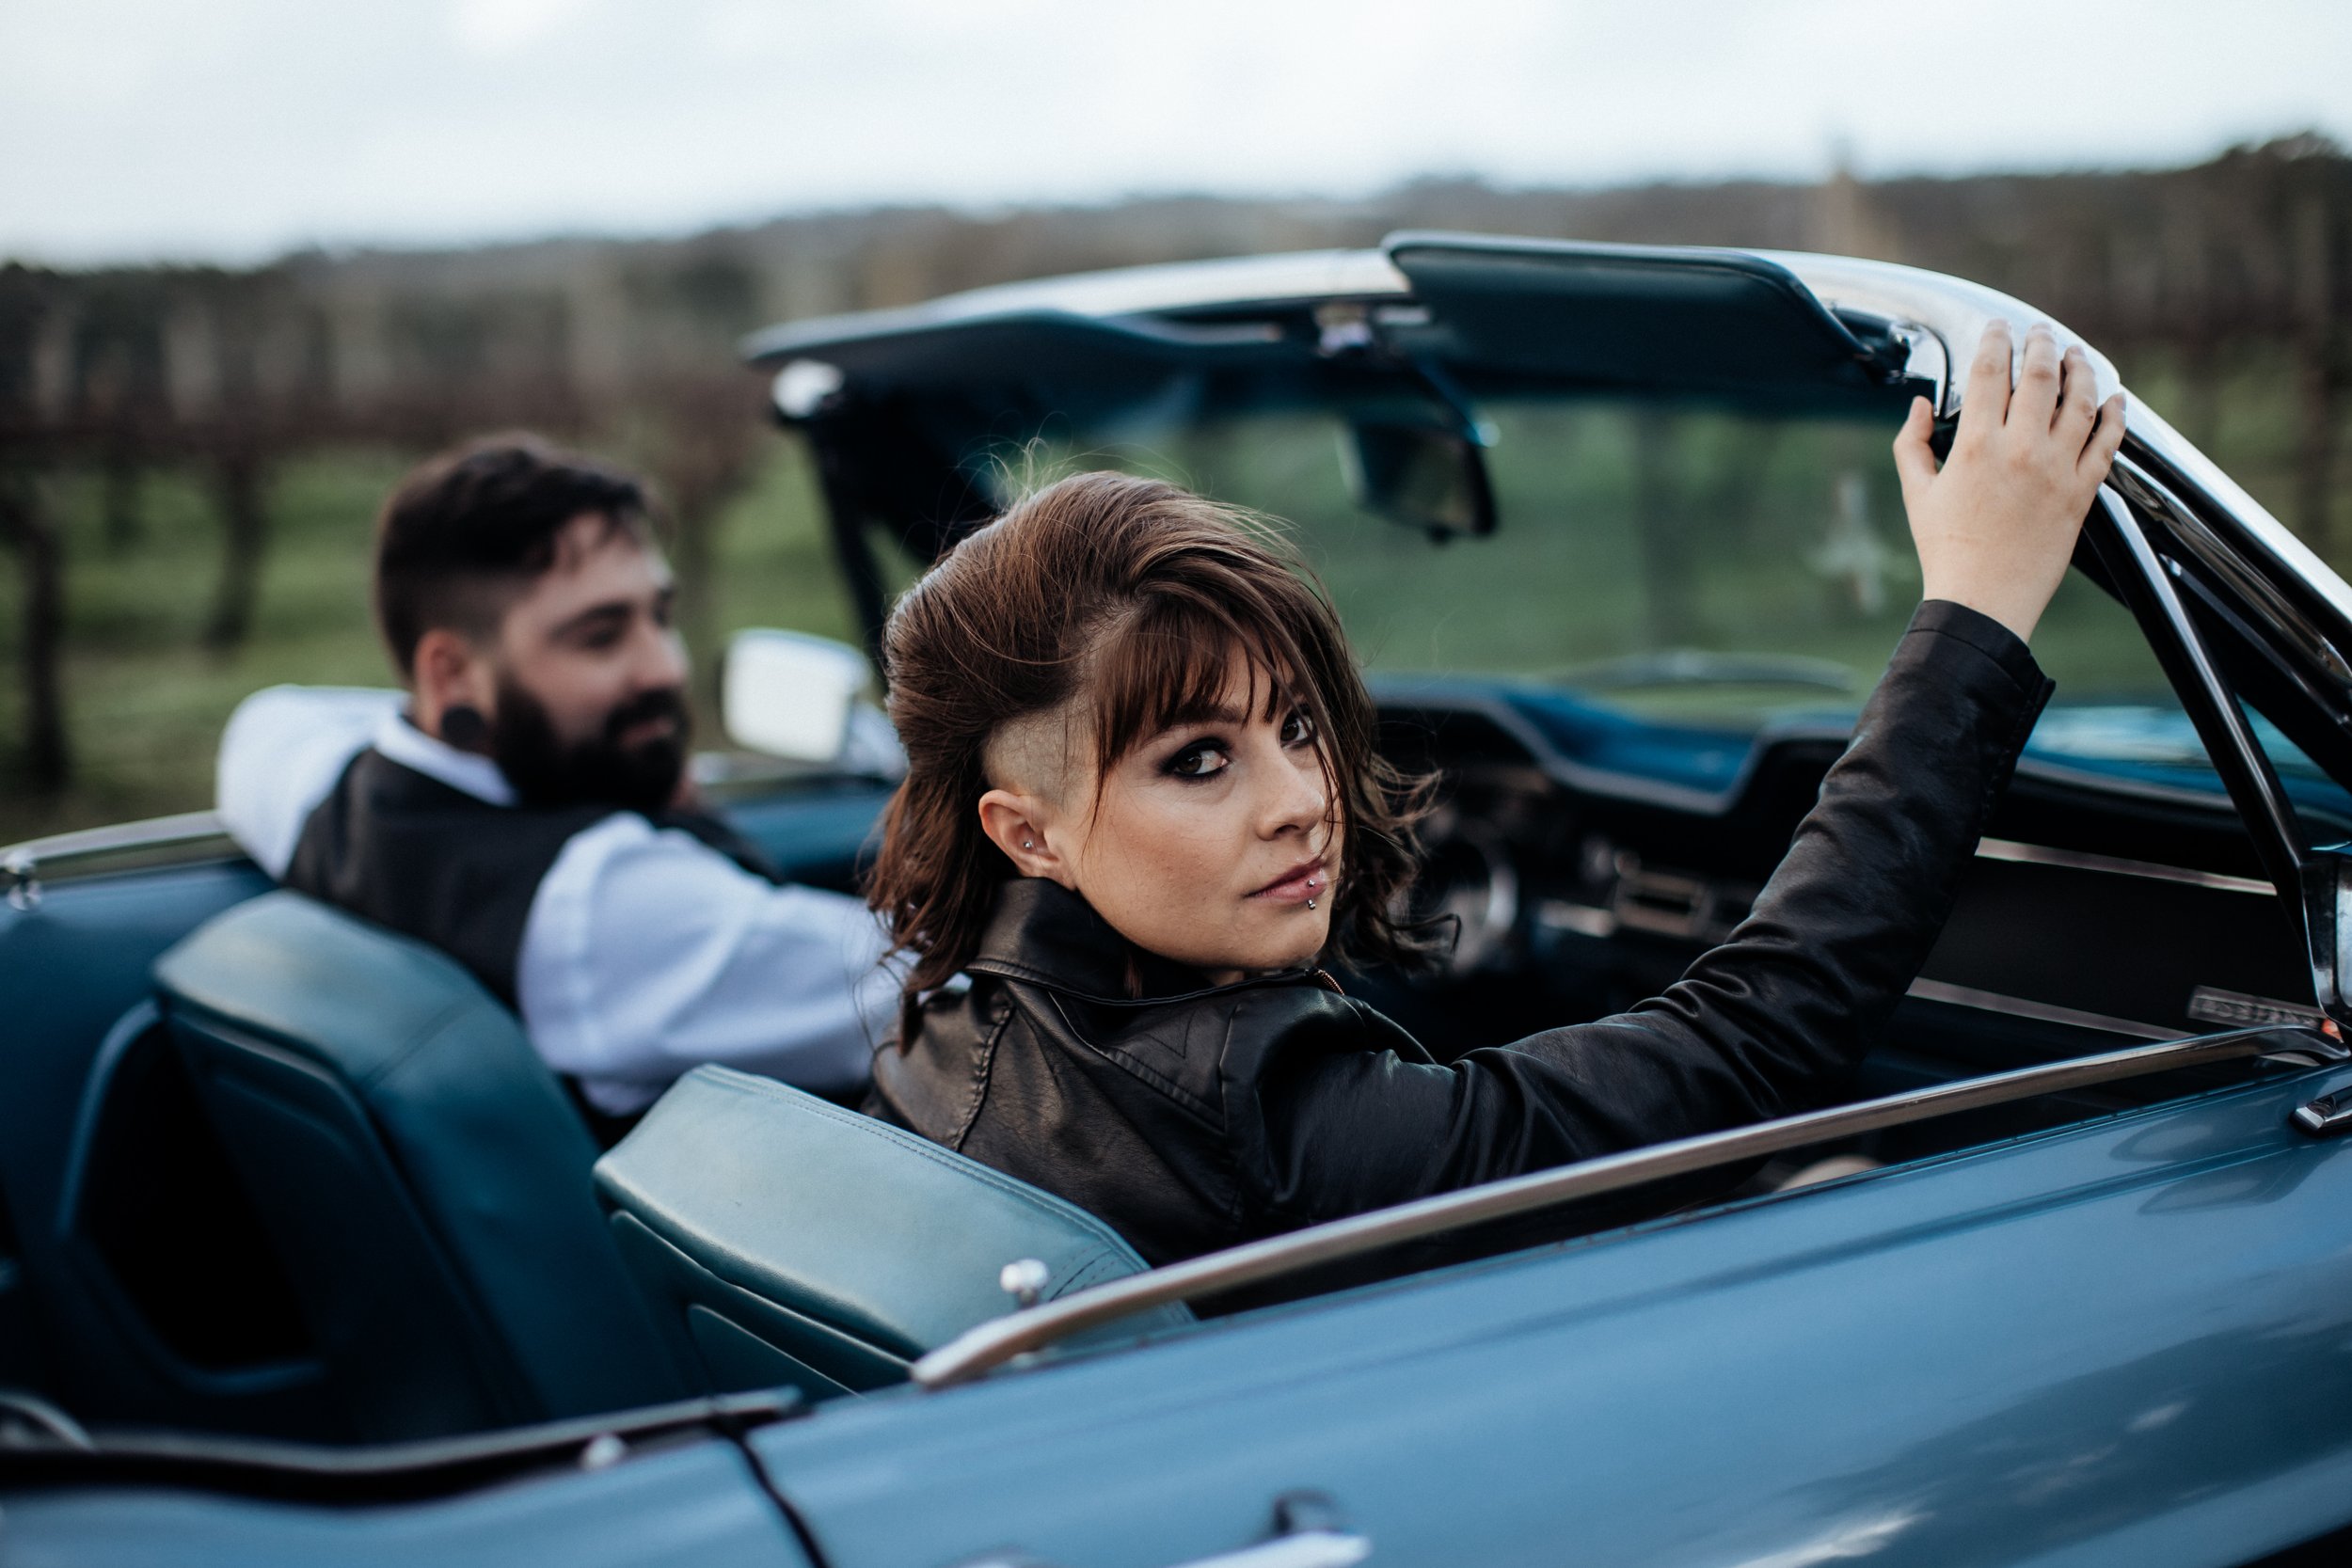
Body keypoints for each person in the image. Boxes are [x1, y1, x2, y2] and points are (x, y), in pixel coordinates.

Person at [864, 322, 2126, 1267]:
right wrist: (1976, 605)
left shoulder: (941, 1033)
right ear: (1024, 833)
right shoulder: (1277, 1128)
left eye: (1298, 724)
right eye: (1198, 758)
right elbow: (1759, 1037)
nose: (1302, 797)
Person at [217, 435, 894, 1132]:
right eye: (600, 636)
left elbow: (276, 716)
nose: (663, 667)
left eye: (659, 615)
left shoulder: (303, 783)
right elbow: (949, 992)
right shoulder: (606, 902)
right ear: (450, 674)